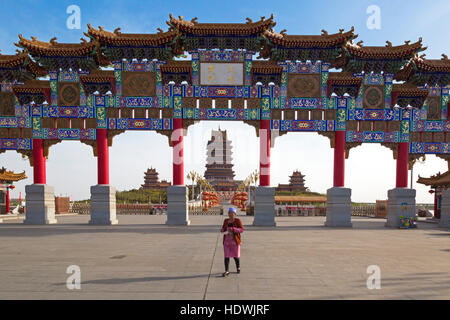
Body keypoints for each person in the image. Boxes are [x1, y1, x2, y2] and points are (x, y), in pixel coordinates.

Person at [220, 207, 244, 277]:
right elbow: (223, 228)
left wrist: (233, 229)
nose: (231, 215)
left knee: (235, 256)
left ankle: (238, 267)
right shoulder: (226, 221)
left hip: (235, 241)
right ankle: (226, 271)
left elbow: (241, 230)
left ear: (235, 214)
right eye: (229, 213)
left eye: (232, 213)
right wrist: (222, 230)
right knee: (226, 256)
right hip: (227, 241)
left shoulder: (237, 221)